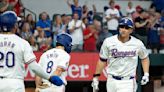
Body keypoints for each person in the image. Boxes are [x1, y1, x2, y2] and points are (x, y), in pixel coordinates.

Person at [0, 11, 64, 92]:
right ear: (15, 25)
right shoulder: (22, 43)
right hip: (15, 83)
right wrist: (49, 77)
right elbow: (33, 67)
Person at [91, 17, 150, 92]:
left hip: (128, 81)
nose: (123, 30)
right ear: (118, 28)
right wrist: (96, 77)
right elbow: (102, 60)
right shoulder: (108, 41)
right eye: (122, 27)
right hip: (111, 80)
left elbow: (144, 57)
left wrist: (146, 74)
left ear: (131, 30)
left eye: (127, 28)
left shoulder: (137, 43)